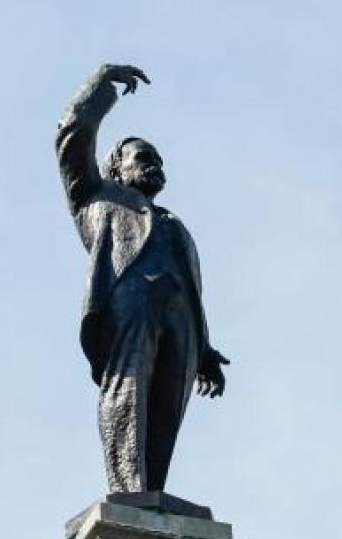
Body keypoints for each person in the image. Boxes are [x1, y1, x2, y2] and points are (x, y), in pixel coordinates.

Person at [56, 62, 230, 493]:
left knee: (168, 406)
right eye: (144, 159)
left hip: (181, 318)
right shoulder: (95, 196)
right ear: (117, 168)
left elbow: (191, 285)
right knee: (128, 388)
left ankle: (152, 494)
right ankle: (128, 490)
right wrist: (100, 84)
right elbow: (72, 135)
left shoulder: (175, 225)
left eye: (160, 162)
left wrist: (205, 348)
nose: (156, 167)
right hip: (129, 305)